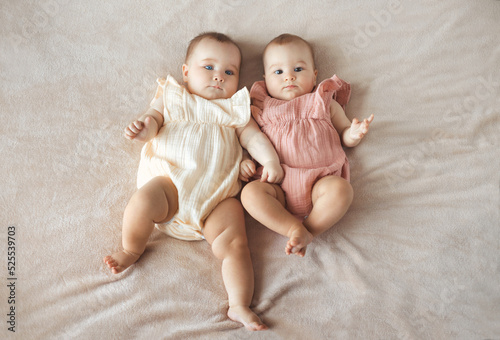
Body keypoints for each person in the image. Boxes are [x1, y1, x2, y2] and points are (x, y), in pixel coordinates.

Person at [104, 32, 284, 331]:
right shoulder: (173, 98)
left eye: (229, 72)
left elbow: (253, 137)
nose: (218, 77)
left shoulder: (234, 109)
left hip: (217, 202)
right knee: (141, 202)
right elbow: (152, 122)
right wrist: (143, 129)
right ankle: (131, 249)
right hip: (169, 188)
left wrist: (270, 161)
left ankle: (239, 304)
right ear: (186, 72)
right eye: (208, 67)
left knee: (236, 243)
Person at [240, 34, 374, 257]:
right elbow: (249, 140)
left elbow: (344, 133)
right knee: (250, 195)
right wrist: (244, 161)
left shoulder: (323, 102)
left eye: (298, 70)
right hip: (276, 185)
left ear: (314, 76)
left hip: (320, 182)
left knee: (342, 191)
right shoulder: (261, 107)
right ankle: (292, 228)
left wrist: (354, 133)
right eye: (278, 72)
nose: (289, 76)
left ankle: (309, 230)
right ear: (265, 79)